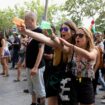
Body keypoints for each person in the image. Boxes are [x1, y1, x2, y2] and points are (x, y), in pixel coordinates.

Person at [18, 20, 78, 105]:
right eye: (61, 29)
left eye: (65, 29)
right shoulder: (58, 41)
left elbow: (66, 48)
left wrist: (52, 36)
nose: (62, 31)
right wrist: (26, 31)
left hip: (69, 83)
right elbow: (43, 38)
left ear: (72, 32)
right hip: (54, 78)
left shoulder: (75, 45)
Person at [24, 11, 46, 105]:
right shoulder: (30, 32)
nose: (24, 22)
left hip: (37, 67)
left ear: (32, 20)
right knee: (31, 88)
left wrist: (36, 67)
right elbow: (29, 49)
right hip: (29, 65)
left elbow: (41, 50)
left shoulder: (40, 31)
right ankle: (33, 103)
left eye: (26, 20)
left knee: (40, 90)